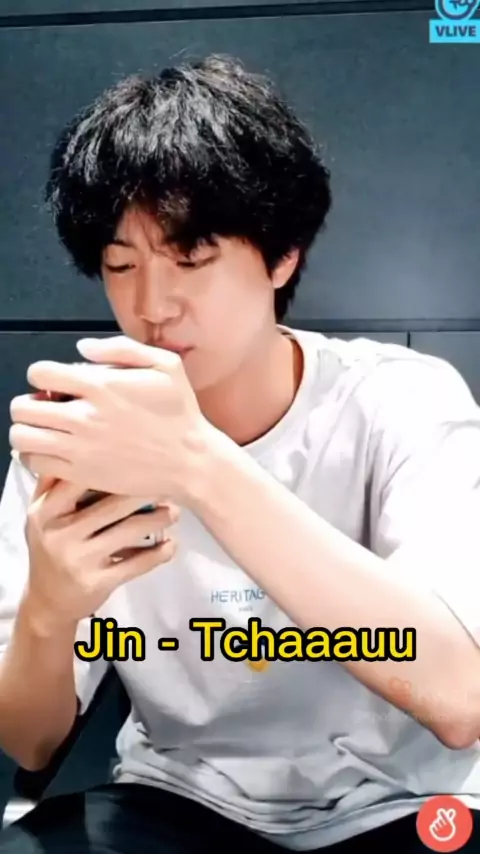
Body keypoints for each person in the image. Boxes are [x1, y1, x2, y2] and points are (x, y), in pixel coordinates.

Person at [0, 53, 479, 854]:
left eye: (191, 259)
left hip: (402, 805)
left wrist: (200, 465)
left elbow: (461, 698)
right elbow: (30, 742)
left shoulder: (401, 402)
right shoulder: (78, 439)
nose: (152, 305)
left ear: (282, 254)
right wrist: (50, 609)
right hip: (176, 801)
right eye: (121, 265)